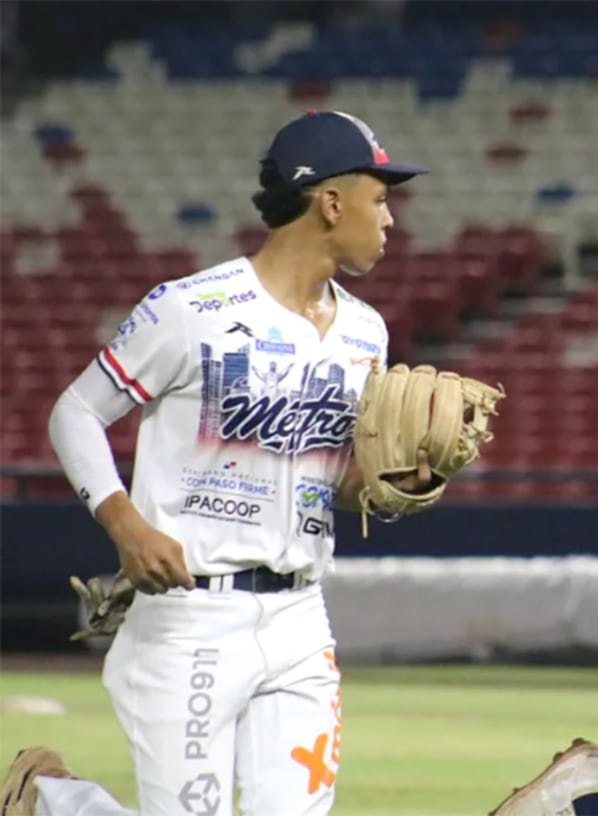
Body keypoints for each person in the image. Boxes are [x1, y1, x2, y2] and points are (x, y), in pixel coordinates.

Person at [24, 111, 432, 815]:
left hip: (302, 613)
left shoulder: (367, 331)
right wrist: (125, 525)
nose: (390, 218)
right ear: (330, 201)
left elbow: (336, 481)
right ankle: (56, 803)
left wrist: (402, 482)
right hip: (191, 615)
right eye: (380, 196)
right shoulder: (192, 309)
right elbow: (76, 412)